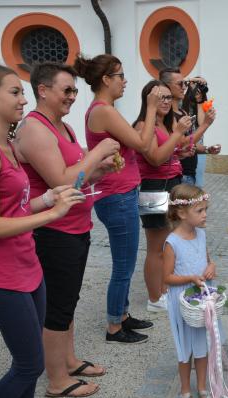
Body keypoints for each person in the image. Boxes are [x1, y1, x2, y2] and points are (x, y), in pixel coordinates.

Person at [0, 63, 82, 398]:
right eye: (14, 92)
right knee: (30, 363)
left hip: (26, 264)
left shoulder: (8, 145)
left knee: (28, 359)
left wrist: (47, 199)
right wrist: (51, 215)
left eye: (21, 92)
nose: (23, 99)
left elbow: (14, 207)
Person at [16, 62, 119, 398]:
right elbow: (59, 181)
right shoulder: (35, 128)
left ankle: (69, 360)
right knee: (56, 305)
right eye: (67, 90)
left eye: (75, 90)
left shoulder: (64, 127)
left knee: (68, 298)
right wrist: (100, 151)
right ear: (43, 90)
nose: (73, 96)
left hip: (75, 226)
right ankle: (57, 379)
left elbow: (75, 177)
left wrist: (97, 172)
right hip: (52, 231)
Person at [74, 53, 156, 343]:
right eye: (120, 76)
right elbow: (143, 144)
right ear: (106, 79)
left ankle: (121, 314)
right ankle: (114, 326)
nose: (124, 81)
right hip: (117, 196)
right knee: (124, 264)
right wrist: (151, 106)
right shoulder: (104, 110)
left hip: (121, 194)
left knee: (126, 261)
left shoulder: (104, 108)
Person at [132, 79, 195, 313]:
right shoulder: (142, 126)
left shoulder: (166, 125)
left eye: (169, 97)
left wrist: (181, 148)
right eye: (161, 97)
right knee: (156, 247)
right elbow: (155, 158)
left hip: (172, 184)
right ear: (148, 99)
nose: (167, 102)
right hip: (153, 187)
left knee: (168, 243)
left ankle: (165, 291)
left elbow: (170, 152)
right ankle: (154, 297)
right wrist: (177, 133)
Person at [162, 184, 218, 398]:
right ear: (182, 213)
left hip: (201, 300)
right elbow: (167, 277)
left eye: (205, 209)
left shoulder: (202, 235)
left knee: (202, 344)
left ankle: (202, 387)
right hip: (183, 300)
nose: (205, 215)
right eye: (200, 211)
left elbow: (207, 259)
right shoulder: (172, 242)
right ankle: (185, 390)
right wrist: (191, 278)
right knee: (186, 348)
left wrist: (211, 267)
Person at [176, 74, 220, 186]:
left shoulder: (205, 105)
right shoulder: (181, 104)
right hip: (184, 146)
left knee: (198, 182)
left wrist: (199, 101)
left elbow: (201, 123)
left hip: (198, 147)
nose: (198, 92)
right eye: (196, 88)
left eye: (201, 90)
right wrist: (192, 80)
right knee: (185, 180)